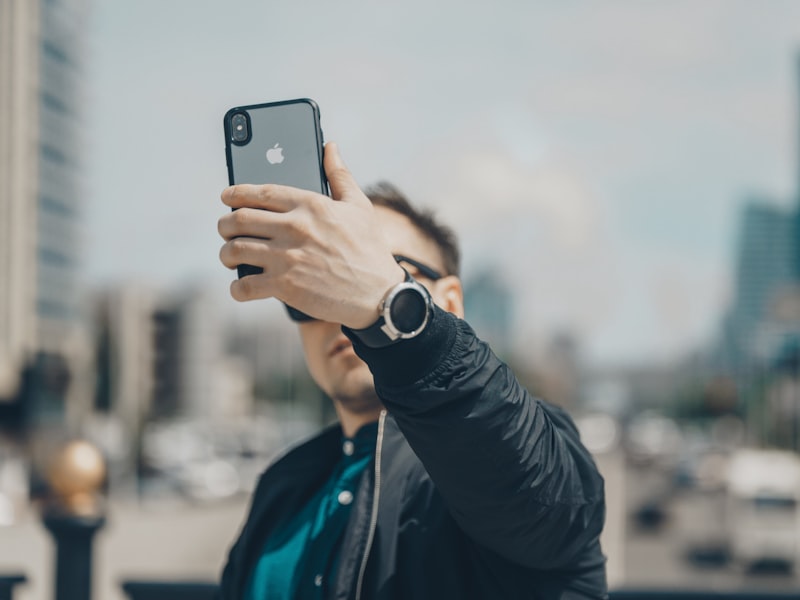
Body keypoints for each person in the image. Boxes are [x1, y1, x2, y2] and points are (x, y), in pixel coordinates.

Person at [216, 142, 608, 600]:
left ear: (451, 302)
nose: (338, 310)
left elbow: (546, 509)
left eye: (383, 270)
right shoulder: (283, 485)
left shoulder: (519, 452)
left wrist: (388, 307)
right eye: (313, 288)